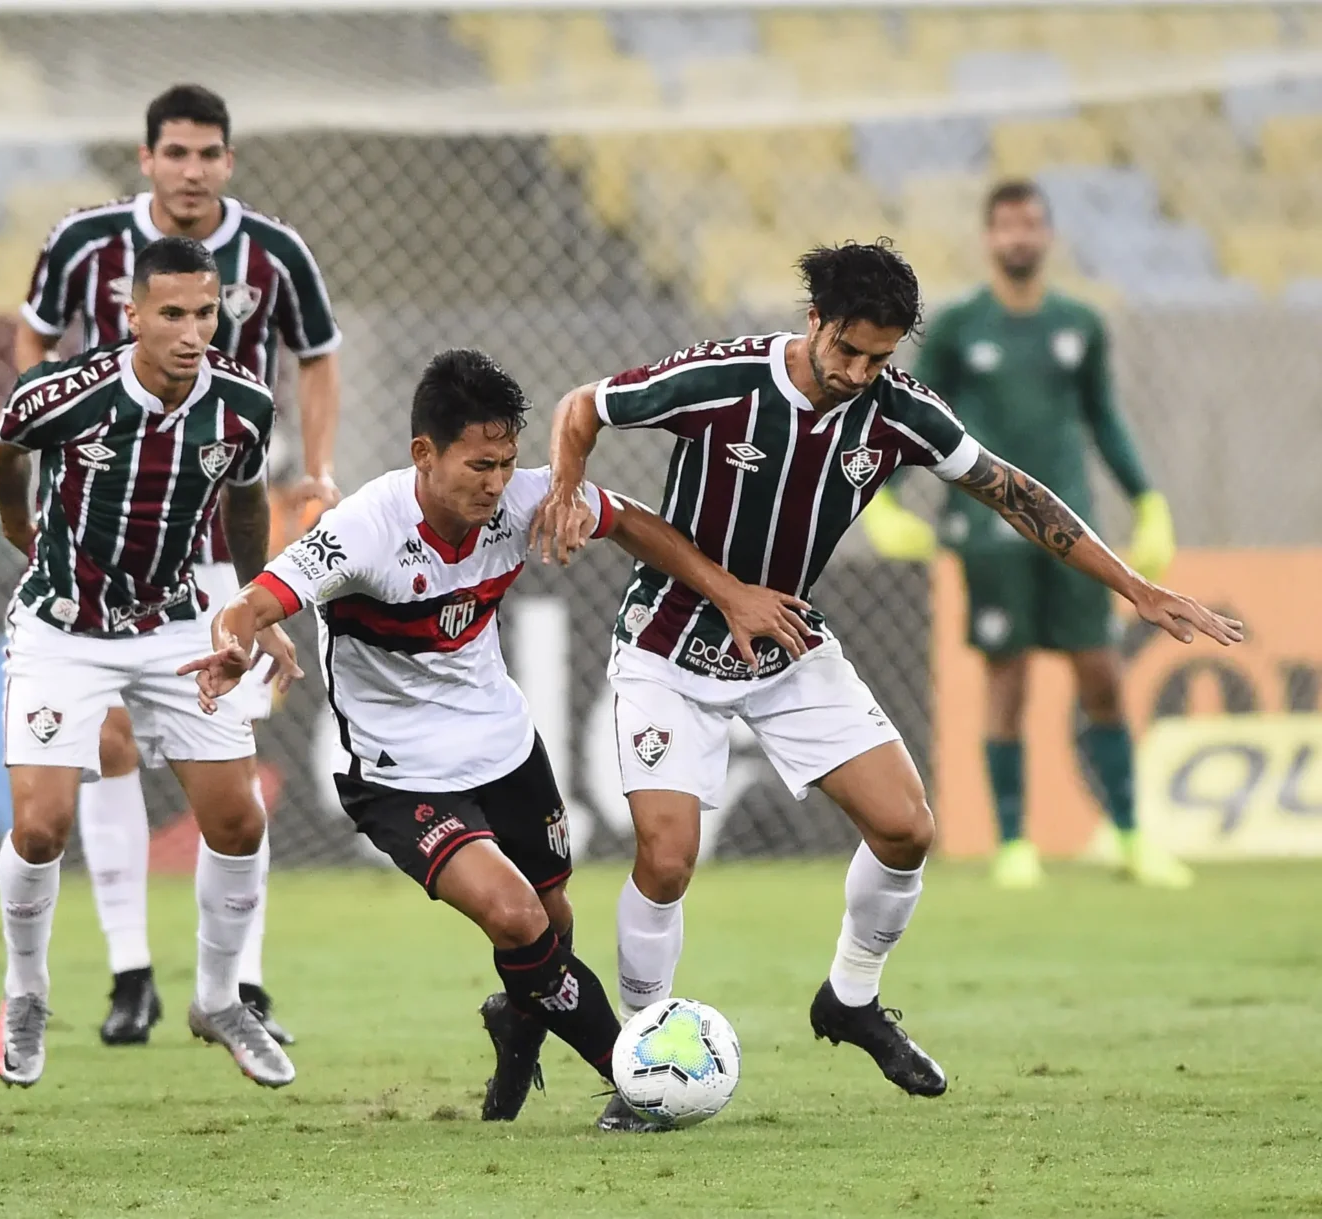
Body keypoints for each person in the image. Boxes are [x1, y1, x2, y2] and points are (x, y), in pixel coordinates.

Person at [531, 240, 1243, 1099]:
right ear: (815, 322)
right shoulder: (725, 380)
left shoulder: (898, 411)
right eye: (849, 350)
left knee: (908, 828)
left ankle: (851, 998)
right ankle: (639, 1064)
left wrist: (1132, 585)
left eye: (881, 356)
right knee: (669, 857)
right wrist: (569, 490)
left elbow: (1013, 490)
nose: (861, 371)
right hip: (667, 646)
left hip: (785, 643)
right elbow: (582, 406)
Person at [180, 348, 811, 1129]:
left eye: (509, 462)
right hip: (399, 772)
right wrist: (237, 640)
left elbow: (634, 523)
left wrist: (731, 593)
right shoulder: (364, 531)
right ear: (425, 453)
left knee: (556, 922)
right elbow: (254, 599)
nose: (496, 482)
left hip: (506, 747)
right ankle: (642, 1075)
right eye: (480, 464)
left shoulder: (521, 501)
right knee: (518, 919)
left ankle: (518, 1029)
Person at [15, 83, 342, 1043]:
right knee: (107, 741)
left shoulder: (276, 254)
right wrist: (43, 464)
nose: (192, 170)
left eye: (209, 154)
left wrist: (314, 473)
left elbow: (316, 356)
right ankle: (130, 975)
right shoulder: (82, 243)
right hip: (106, 540)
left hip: (220, 539)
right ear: (146, 159)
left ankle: (239, 981)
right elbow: (36, 340)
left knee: (230, 766)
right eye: (177, 153)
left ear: (228, 163)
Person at [0, 237, 301, 1089]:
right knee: (40, 827)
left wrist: (255, 603)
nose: (192, 331)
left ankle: (217, 997)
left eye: (205, 313)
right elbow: (3, 447)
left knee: (238, 821)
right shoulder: (66, 393)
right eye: (171, 314)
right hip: (64, 626)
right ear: (132, 315)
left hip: (174, 625)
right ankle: (26, 990)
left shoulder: (241, 402)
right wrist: (21, 530)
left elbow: (242, 498)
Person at [863, 179, 1189, 890]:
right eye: (1006, 225)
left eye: (1031, 224)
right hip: (986, 527)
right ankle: (1014, 842)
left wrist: (1146, 499)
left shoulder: (1079, 323)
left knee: (1101, 674)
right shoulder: (957, 327)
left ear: (1047, 235)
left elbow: (1104, 418)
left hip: (1071, 522)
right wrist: (884, 501)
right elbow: (914, 418)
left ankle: (1129, 833)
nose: (1019, 237)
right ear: (989, 237)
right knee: (1006, 679)